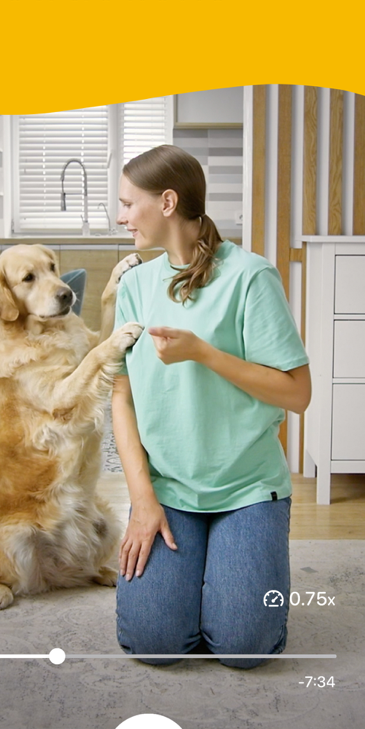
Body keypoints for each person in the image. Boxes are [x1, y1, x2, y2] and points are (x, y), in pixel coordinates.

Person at [112, 144, 311, 668]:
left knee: (245, 647)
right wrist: (142, 499)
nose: (121, 216)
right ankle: (198, 583)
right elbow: (121, 397)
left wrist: (204, 353)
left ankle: (224, 586)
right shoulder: (135, 285)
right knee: (154, 643)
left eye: (129, 204)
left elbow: (297, 393)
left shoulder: (250, 277)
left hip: (247, 488)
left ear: (168, 202)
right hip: (169, 488)